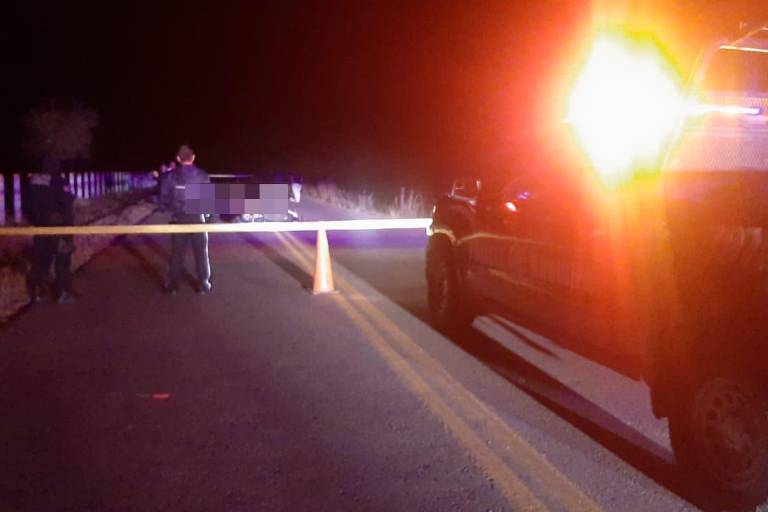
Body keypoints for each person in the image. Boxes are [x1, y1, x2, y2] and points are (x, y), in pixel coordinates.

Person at [160, 144, 212, 294]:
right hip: (198, 219)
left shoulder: (171, 176)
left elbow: (163, 198)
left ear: (178, 159)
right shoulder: (202, 175)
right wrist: (211, 217)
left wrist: (167, 207)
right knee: (201, 254)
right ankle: (203, 284)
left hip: (179, 219)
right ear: (193, 157)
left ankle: (172, 285)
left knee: (177, 254)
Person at [25, 160, 78, 303]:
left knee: (41, 260)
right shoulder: (59, 181)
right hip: (60, 228)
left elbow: (27, 207)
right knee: (62, 260)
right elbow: (66, 204)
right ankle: (62, 292)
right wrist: (68, 227)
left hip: (41, 227)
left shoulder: (32, 181)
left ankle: (38, 292)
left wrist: (36, 220)